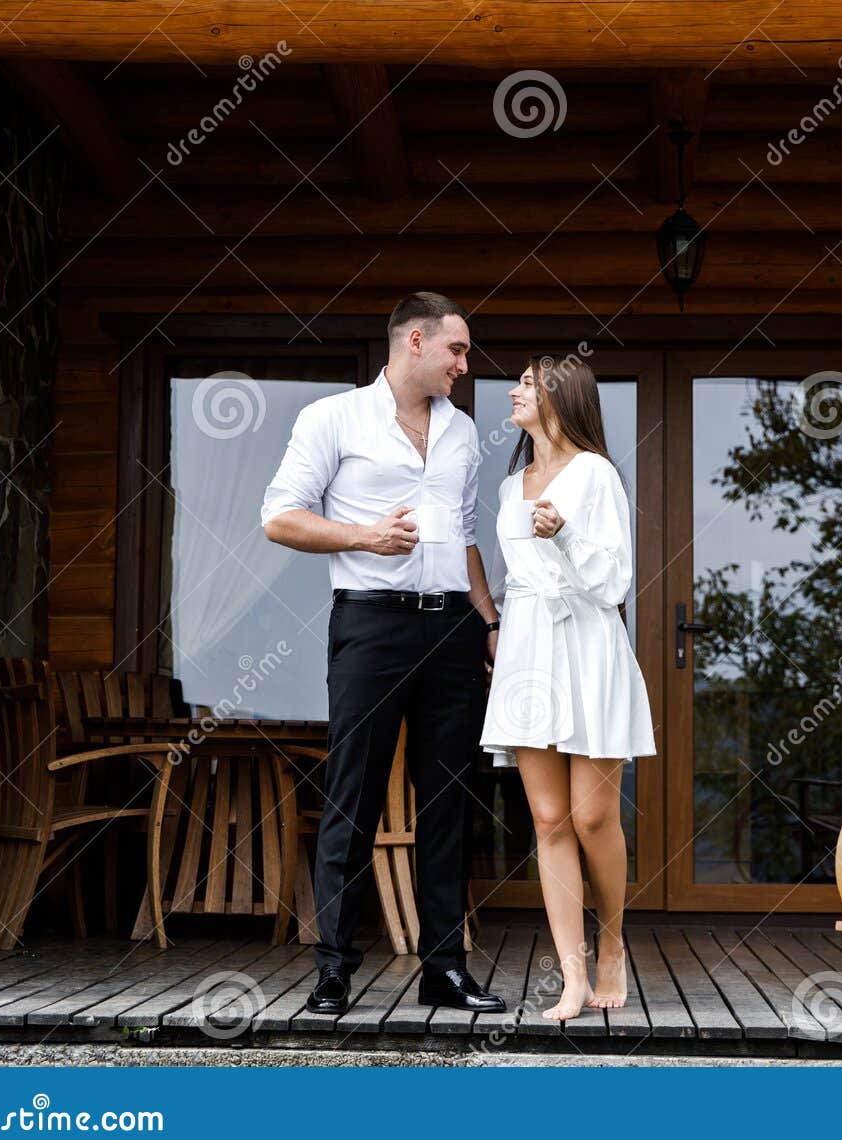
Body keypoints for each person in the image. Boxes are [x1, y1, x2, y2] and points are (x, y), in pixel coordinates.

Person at [260, 292, 505, 1015]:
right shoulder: (332, 418)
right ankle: (333, 969)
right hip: (371, 626)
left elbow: (463, 537)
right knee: (353, 795)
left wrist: (489, 622)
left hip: (452, 628)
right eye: (457, 350)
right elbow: (279, 516)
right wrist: (365, 536)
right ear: (416, 341)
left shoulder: (462, 432)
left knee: (449, 802)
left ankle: (444, 969)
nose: (465, 364)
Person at [480, 355, 656, 1021]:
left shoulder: (596, 474)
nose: (514, 391)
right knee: (548, 819)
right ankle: (573, 979)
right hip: (530, 649)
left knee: (592, 816)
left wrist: (567, 534)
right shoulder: (509, 487)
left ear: (560, 396)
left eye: (527, 383)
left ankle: (613, 941)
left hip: (588, 645)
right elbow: (513, 577)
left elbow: (613, 583)